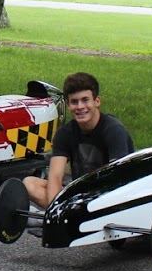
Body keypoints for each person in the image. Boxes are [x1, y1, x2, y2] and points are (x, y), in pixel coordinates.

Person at [22, 72, 134, 209]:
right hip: (79, 194)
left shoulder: (114, 130)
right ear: (68, 105)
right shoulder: (64, 133)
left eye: (85, 100)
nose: (80, 106)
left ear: (96, 101)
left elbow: (118, 178)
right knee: (29, 183)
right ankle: (56, 215)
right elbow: (55, 176)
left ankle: (64, 215)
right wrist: (54, 209)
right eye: (74, 102)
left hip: (110, 194)